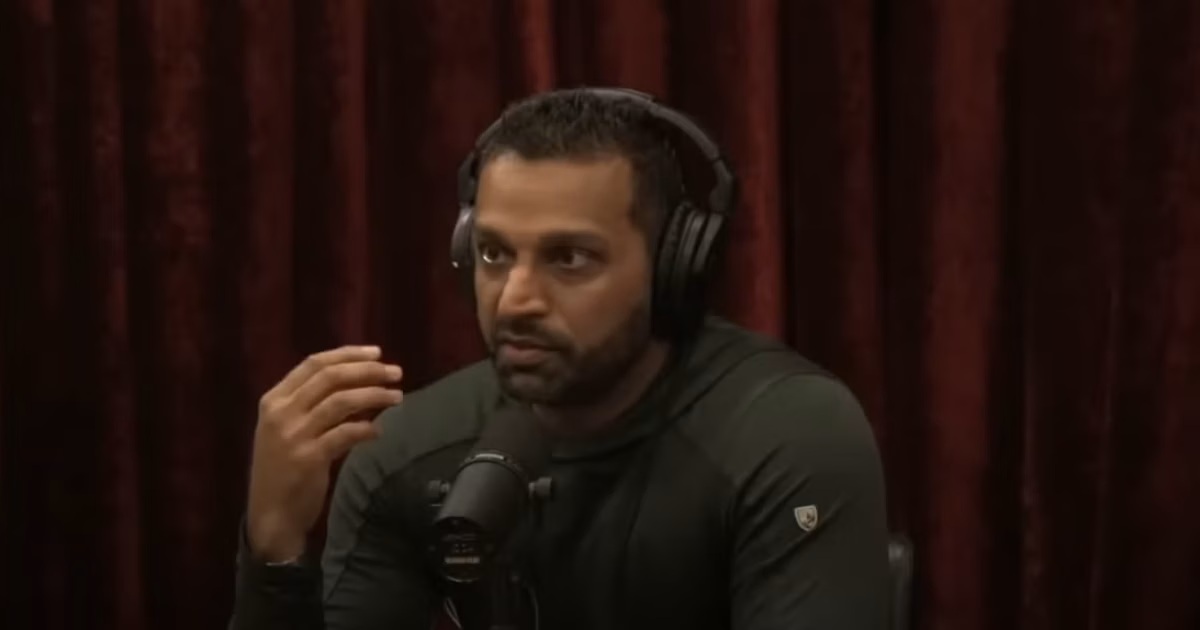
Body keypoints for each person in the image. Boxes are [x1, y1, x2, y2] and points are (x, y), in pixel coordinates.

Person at [229, 87, 891, 630]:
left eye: (568, 258)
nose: (515, 300)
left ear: (671, 269)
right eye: (494, 254)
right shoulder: (403, 453)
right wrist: (275, 548)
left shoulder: (785, 436)